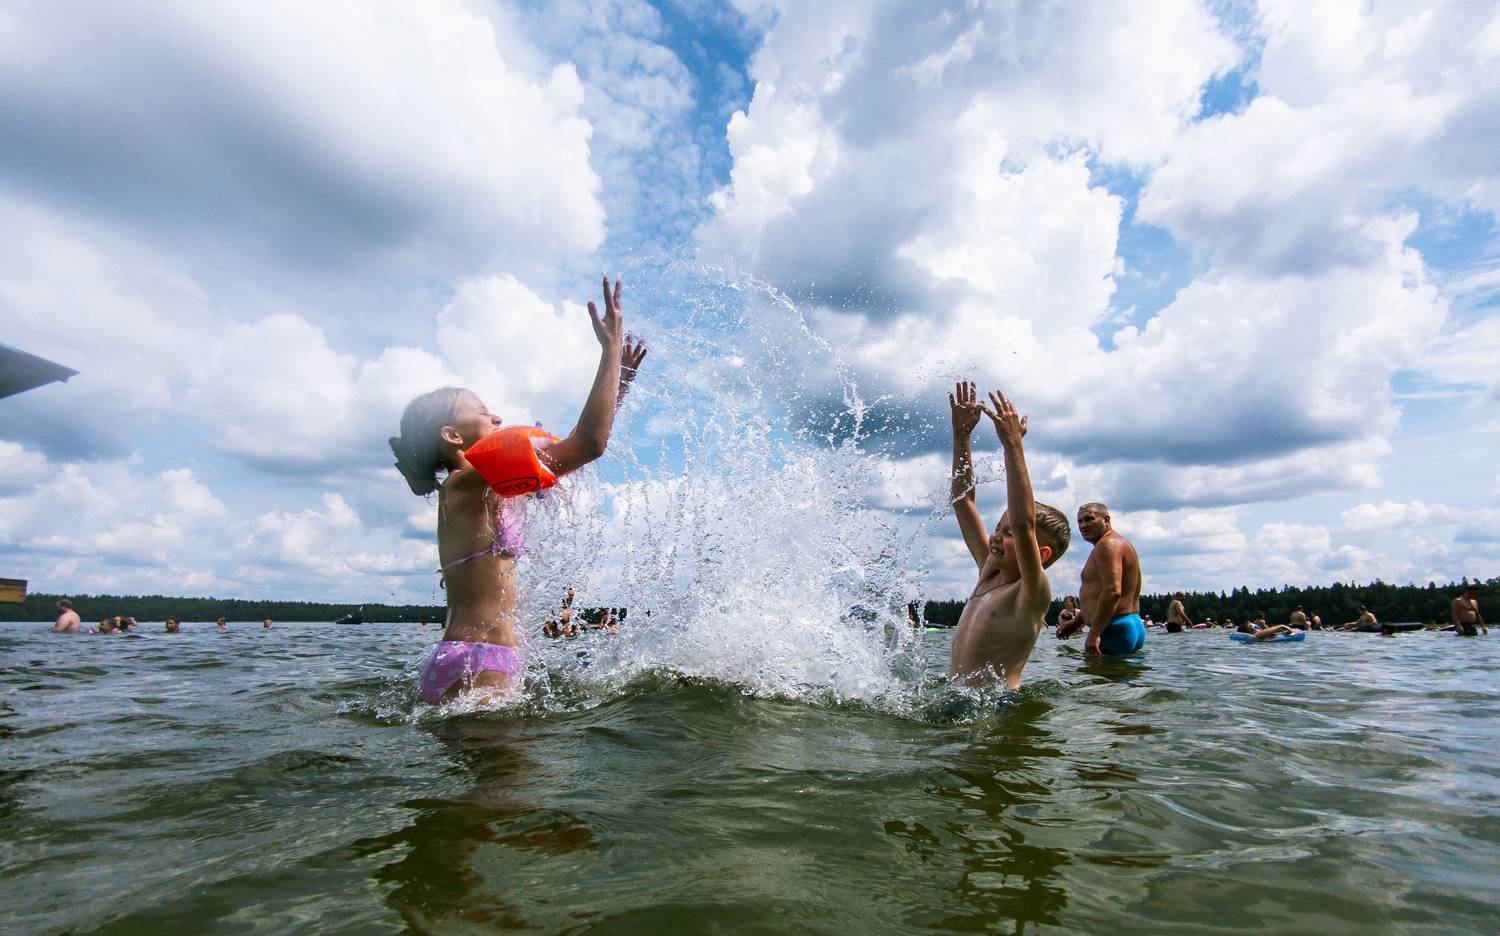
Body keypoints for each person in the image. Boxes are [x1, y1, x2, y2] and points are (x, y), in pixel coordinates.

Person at [390, 276, 645, 705]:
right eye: (484, 412)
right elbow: (589, 444)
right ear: (452, 436)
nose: (497, 418)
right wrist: (610, 351)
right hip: (481, 659)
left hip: (470, 656)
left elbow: (571, 452)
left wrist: (617, 387)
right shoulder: (466, 483)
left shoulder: (481, 490)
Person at [946, 382, 1071, 689]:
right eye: (998, 529)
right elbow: (963, 502)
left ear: (1041, 554)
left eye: (1009, 532)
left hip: (1000, 705)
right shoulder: (988, 571)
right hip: (961, 700)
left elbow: (1024, 522)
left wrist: (1012, 446)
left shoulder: (1031, 592)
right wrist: (962, 435)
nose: (997, 537)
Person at [1057, 502, 1143, 655]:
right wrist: (1076, 623)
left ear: (1106, 520)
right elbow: (1098, 596)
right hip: (1128, 624)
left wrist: (1094, 633)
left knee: (1098, 672)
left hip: (1113, 628)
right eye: (1080, 521)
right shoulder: (1118, 543)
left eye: (1089, 519)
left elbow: (1112, 592)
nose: (1083, 525)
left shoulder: (1107, 545)